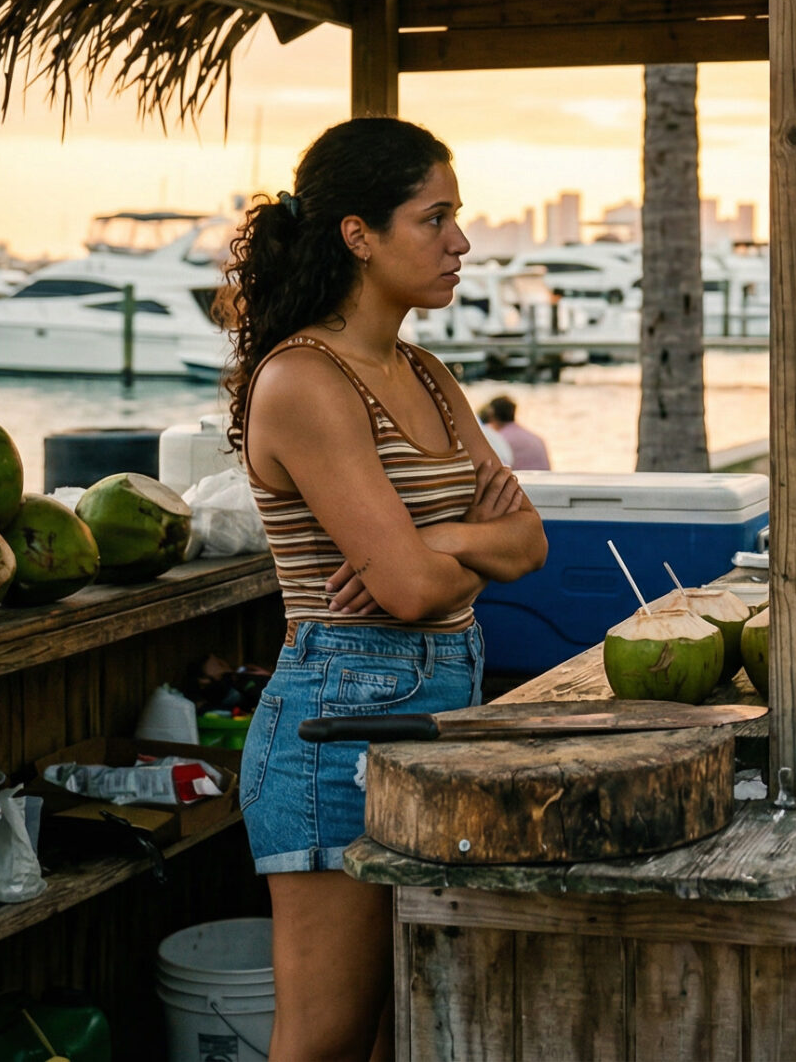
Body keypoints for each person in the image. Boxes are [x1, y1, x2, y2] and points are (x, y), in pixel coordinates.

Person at [224, 118, 549, 1061]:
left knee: (395, 1032)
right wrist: (446, 553)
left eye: (457, 216)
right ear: (358, 234)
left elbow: (529, 542)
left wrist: (443, 535)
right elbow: (406, 590)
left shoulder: (430, 374)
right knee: (327, 1037)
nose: (460, 242)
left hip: (439, 710)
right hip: (335, 725)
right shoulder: (303, 381)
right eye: (434, 217)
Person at [477, 394, 551, 471]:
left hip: (522, 480)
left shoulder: (499, 440)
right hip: (544, 479)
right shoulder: (536, 438)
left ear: (491, 414)